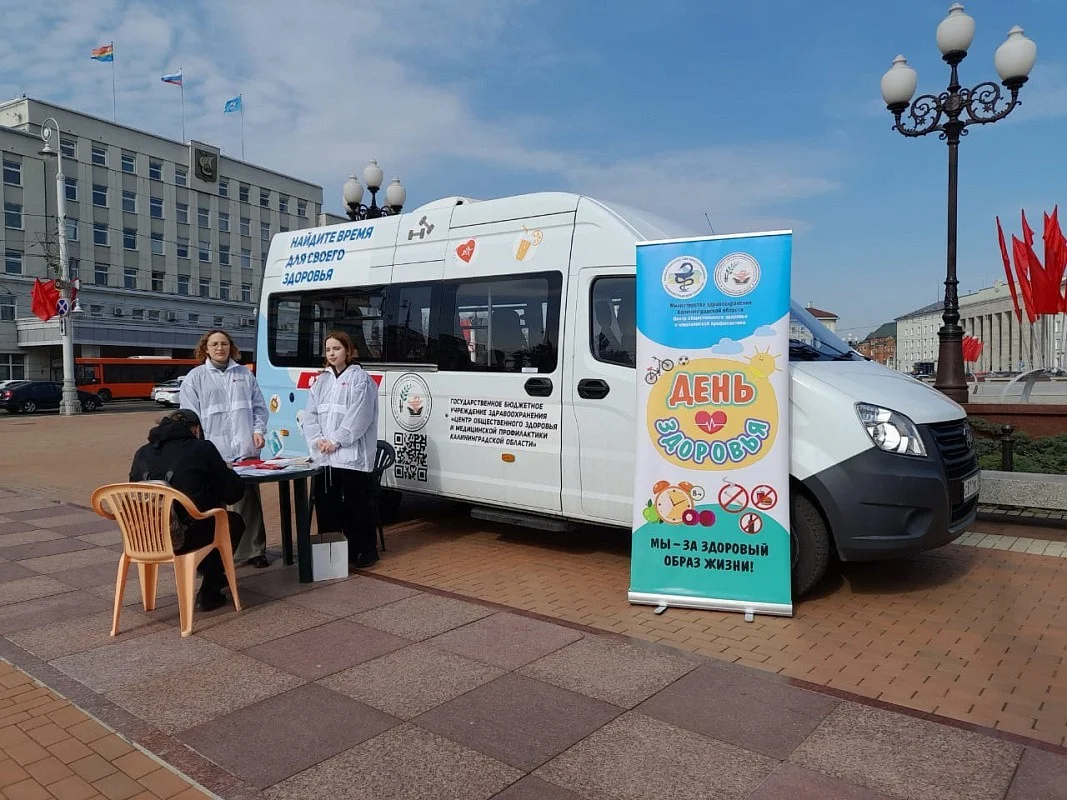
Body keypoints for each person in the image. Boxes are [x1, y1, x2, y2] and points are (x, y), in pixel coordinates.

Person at [129, 409, 245, 611]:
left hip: (145, 539)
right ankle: (210, 589)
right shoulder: (201, 448)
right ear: (196, 429)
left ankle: (214, 573)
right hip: (184, 537)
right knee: (230, 522)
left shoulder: (142, 452)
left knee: (207, 521)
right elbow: (232, 493)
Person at [179, 329, 271, 568]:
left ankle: (254, 550)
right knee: (214, 506)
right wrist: (197, 447)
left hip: (244, 448)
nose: (220, 348)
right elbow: (190, 417)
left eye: (224, 344)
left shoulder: (244, 374)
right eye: (215, 344)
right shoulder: (195, 377)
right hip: (213, 452)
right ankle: (217, 555)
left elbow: (259, 408)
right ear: (206, 349)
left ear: (231, 347)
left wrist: (258, 431)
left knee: (247, 501)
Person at [303, 330, 380, 567]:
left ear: (348, 350)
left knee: (356, 506)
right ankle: (334, 554)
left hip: (350, 457)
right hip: (326, 458)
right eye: (328, 349)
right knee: (328, 506)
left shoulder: (360, 379)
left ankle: (364, 550)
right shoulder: (321, 381)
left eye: (336, 348)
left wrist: (336, 440)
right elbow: (310, 415)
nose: (332, 353)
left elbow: (359, 417)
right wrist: (318, 441)